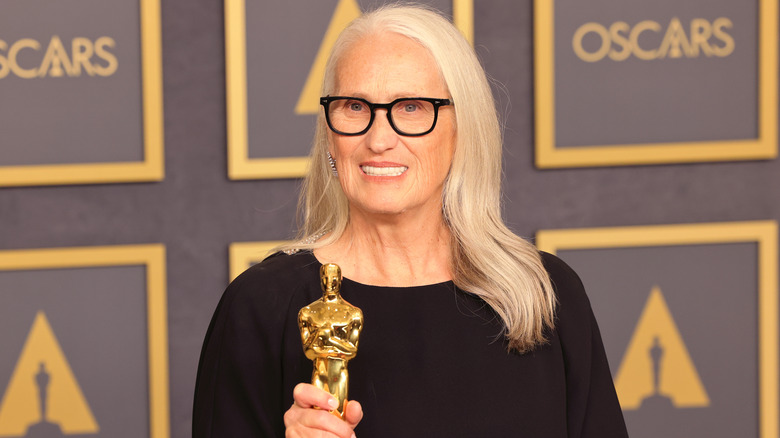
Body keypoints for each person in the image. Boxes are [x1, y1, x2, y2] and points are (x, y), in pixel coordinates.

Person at [193, 4, 628, 438]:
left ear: (462, 129)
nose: (379, 139)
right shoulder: (262, 308)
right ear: (329, 132)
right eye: (354, 106)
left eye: (413, 108)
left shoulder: (543, 294)